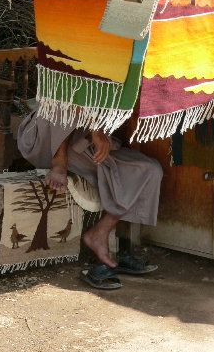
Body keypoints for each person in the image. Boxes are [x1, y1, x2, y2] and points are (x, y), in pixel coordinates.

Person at [17, 108, 163, 278]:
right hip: (47, 136)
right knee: (66, 96)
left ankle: (99, 232)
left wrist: (98, 132)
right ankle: (59, 160)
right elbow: (66, 97)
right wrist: (95, 129)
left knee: (151, 170)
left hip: (87, 145)